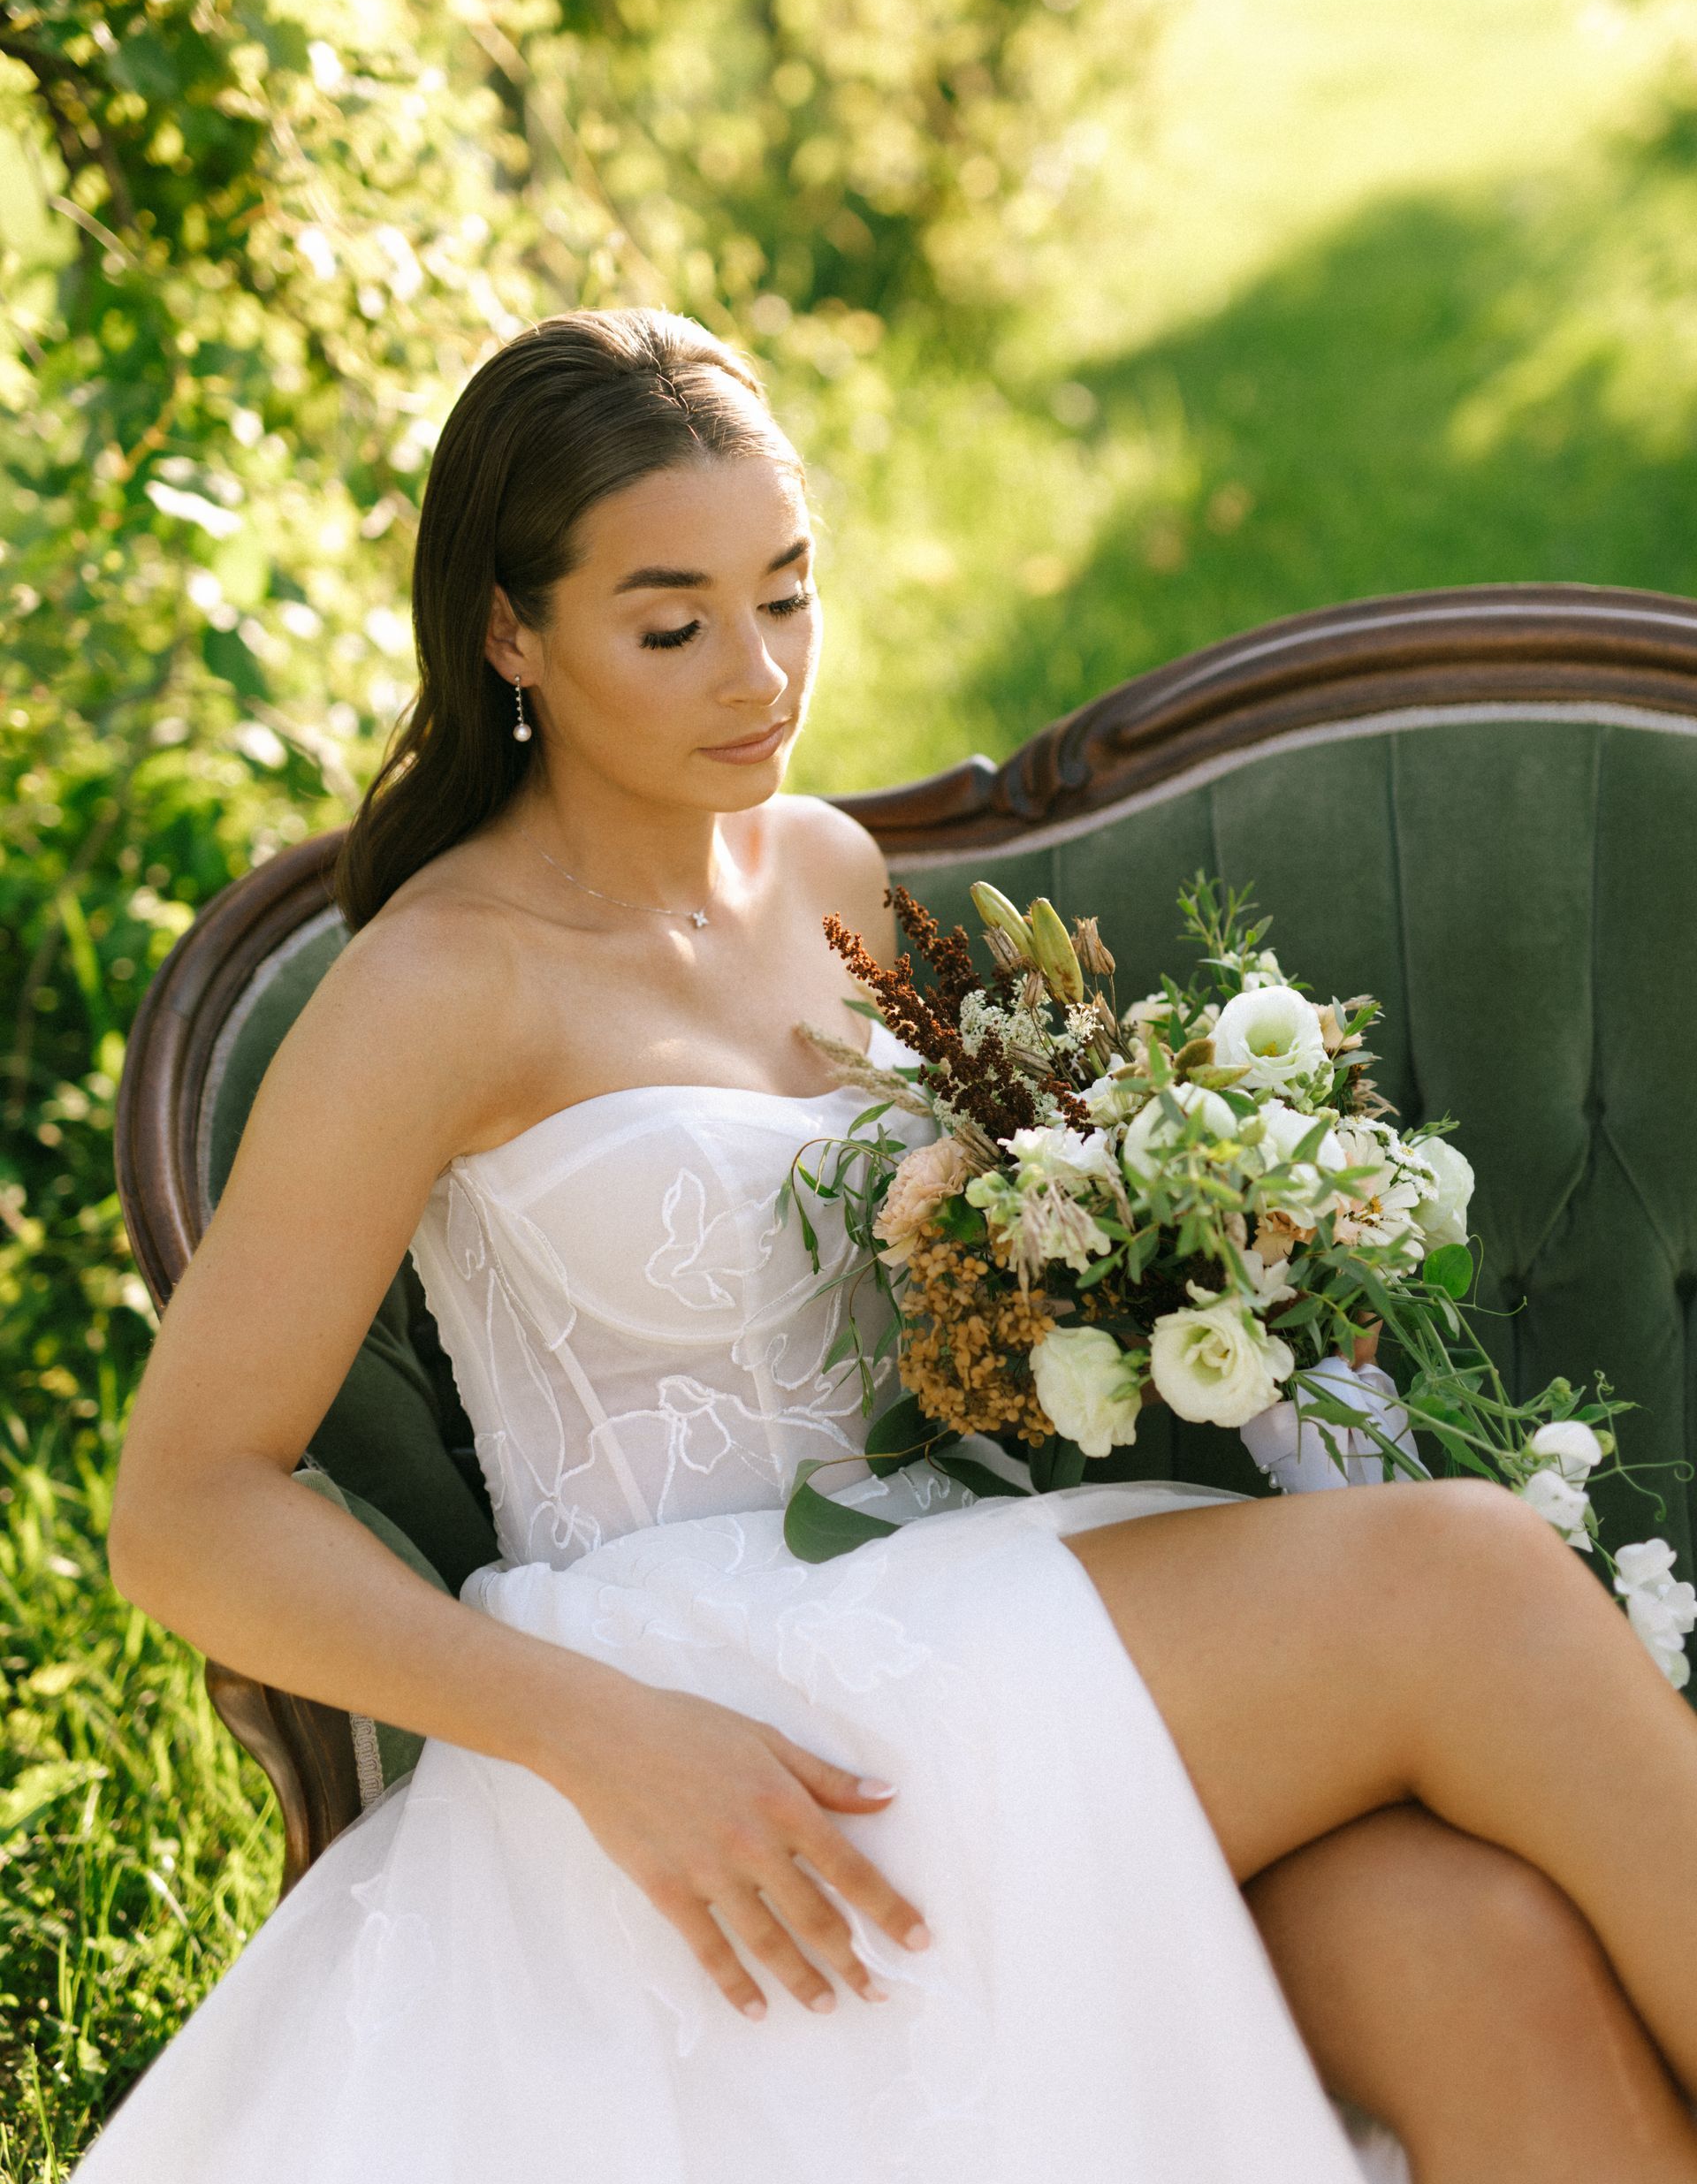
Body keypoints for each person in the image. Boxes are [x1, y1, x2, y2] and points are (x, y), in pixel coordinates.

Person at [85, 309, 1697, 2183]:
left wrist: (1178, 1236)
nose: (757, 676)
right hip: (708, 1694)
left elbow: (984, 1262)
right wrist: (606, 1743)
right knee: (1467, 1582)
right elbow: (185, 1508)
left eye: (789, 594)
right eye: (673, 624)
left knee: (1479, 1963)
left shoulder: (831, 880)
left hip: (967, 1594)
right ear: (510, 635)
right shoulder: (439, 986)